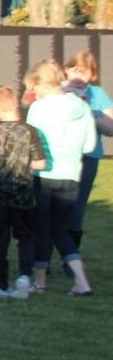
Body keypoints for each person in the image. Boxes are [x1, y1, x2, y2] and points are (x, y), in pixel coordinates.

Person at [25, 60, 95, 295]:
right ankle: (81, 282)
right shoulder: (82, 107)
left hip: (44, 176)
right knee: (60, 231)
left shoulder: (39, 108)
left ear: (40, 84)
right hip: (72, 176)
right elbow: (90, 146)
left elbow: (30, 145)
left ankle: (40, 282)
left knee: (41, 229)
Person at [0, 86, 46, 300]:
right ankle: (24, 275)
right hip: (24, 194)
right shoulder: (29, 131)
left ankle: (1, 286)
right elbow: (40, 163)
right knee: (26, 237)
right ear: (16, 105)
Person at [63, 51, 113, 260]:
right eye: (74, 69)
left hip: (87, 157)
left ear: (92, 75)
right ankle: (42, 262)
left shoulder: (98, 95)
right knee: (48, 208)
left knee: (76, 209)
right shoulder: (57, 91)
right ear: (66, 70)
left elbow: (110, 128)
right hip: (59, 157)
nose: (77, 76)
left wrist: (90, 111)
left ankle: (70, 259)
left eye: (83, 72)